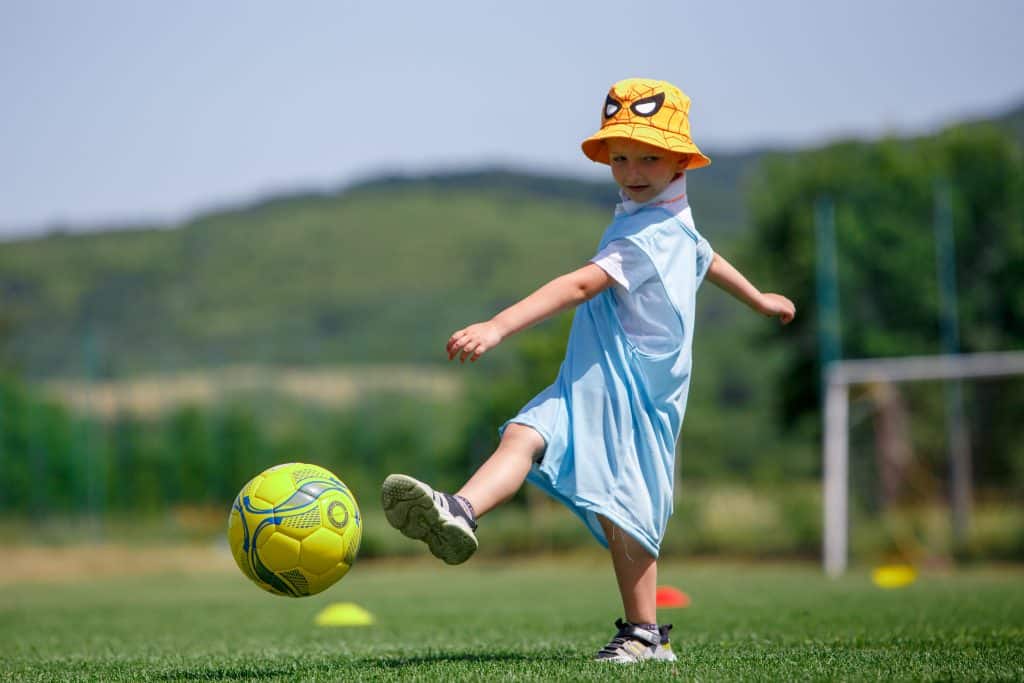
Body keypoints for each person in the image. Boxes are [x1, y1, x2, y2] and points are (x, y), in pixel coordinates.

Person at [381, 77, 795, 663]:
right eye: (619, 157)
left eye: (648, 156)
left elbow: (580, 284)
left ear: (681, 161)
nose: (631, 169)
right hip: (595, 379)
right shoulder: (669, 223)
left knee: (626, 512)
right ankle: (461, 510)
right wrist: (759, 299)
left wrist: (498, 326)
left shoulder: (643, 234)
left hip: (632, 393)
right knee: (525, 434)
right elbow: (707, 256)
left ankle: (645, 633)